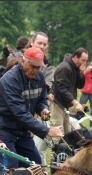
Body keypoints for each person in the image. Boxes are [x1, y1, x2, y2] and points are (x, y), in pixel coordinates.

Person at [0, 47, 63, 170]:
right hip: (2, 130)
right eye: (33, 66)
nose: (35, 71)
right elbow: (20, 113)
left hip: (22, 130)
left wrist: (43, 109)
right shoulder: (10, 80)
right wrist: (46, 131)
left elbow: (41, 99)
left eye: (38, 67)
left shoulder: (39, 77)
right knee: (9, 172)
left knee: (35, 167)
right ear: (23, 61)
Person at [49, 48, 88, 143]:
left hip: (65, 105)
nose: (84, 63)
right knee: (58, 133)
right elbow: (61, 88)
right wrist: (75, 102)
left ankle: (66, 154)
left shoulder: (75, 68)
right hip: (57, 103)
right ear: (75, 57)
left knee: (67, 133)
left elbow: (80, 85)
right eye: (83, 60)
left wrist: (81, 73)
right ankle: (55, 155)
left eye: (86, 61)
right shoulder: (64, 68)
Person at [28, 31, 55, 164]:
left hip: (36, 111)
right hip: (17, 115)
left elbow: (45, 89)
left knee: (38, 151)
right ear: (32, 42)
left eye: (45, 44)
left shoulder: (48, 67)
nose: (42, 46)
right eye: (39, 43)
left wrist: (43, 108)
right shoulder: (19, 61)